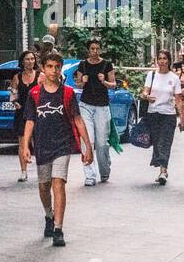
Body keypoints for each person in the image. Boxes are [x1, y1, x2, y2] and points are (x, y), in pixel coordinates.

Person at [19, 52, 94, 246]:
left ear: (61, 69)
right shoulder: (34, 93)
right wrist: (25, 145)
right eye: (50, 66)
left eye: (57, 67)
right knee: (44, 186)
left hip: (63, 144)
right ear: (42, 68)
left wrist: (88, 146)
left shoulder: (67, 93)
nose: (54, 70)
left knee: (58, 183)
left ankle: (59, 229)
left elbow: (78, 119)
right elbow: (30, 120)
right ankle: (49, 215)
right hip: (42, 145)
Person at [74, 39, 116, 186]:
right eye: (92, 48)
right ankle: (90, 175)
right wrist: (82, 81)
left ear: (101, 50)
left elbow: (113, 84)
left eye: (98, 48)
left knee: (102, 143)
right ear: (88, 50)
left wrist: (104, 81)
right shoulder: (83, 65)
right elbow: (78, 84)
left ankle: (104, 171)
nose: (95, 51)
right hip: (86, 105)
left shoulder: (106, 65)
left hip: (102, 106)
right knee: (87, 140)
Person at [142, 49, 184, 184]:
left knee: (165, 142)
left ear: (169, 60)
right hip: (153, 113)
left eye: (165, 58)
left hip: (168, 115)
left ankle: (163, 171)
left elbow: (178, 99)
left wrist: (182, 118)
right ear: (156, 61)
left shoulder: (174, 78)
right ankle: (160, 165)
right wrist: (146, 97)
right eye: (160, 58)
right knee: (157, 142)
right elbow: (144, 92)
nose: (162, 61)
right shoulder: (151, 75)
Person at [10, 50, 40, 182]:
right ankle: (23, 172)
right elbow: (13, 95)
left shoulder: (40, 76)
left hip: (37, 112)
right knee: (22, 142)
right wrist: (15, 102)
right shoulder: (17, 77)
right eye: (27, 59)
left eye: (32, 59)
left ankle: (42, 170)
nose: (30, 62)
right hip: (22, 112)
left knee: (38, 142)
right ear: (22, 61)